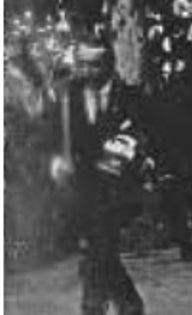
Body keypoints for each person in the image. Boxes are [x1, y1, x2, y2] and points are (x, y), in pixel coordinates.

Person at [50, 36, 151, 315]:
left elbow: (138, 138)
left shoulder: (130, 96)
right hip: (81, 186)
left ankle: (93, 306)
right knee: (99, 246)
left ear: (108, 65)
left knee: (99, 244)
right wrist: (58, 159)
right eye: (81, 63)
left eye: (94, 65)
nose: (86, 71)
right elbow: (57, 134)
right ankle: (129, 303)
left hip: (118, 187)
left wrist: (116, 162)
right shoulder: (67, 95)